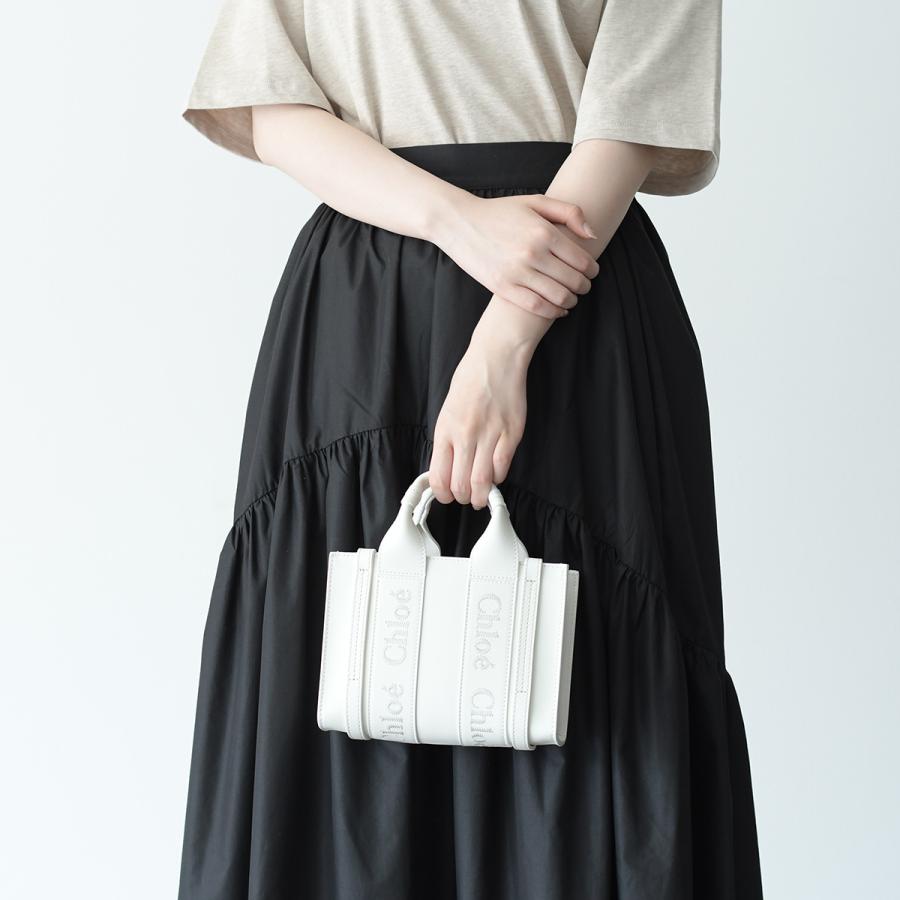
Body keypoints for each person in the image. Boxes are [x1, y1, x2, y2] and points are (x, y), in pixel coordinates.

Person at [176, 2, 763, 898]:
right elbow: (272, 105)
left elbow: (633, 111)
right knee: (350, 678)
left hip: (574, 299)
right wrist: (457, 222)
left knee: (592, 693)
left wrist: (503, 346)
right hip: (366, 316)